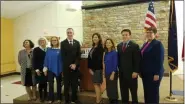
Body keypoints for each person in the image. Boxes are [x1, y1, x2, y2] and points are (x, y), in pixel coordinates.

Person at [140, 27, 164, 104]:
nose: (149, 34)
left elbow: (160, 60)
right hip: (145, 73)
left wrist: (157, 73)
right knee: (147, 92)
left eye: (151, 32)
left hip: (154, 73)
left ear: (155, 34)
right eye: (147, 32)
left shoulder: (158, 44)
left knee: (153, 93)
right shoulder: (145, 44)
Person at [117, 29, 140, 104]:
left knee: (133, 92)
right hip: (122, 73)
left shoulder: (135, 46)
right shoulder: (119, 46)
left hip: (132, 73)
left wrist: (136, 71)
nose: (124, 36)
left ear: (129, 36)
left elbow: (137, 60)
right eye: (123, 35)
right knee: (123, 91)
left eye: (126, 35)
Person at [60, 28, 81, 104]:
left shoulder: (77, 43)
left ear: (73, 33)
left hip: (75, 67)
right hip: (66, 67)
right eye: (68, 32)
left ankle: (74, 99)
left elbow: (79, 55)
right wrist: (70, 65)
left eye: (71, 32)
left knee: (74, 84)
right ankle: (67, 100)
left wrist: (75, 64)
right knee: (66, 85)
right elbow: (63, 56)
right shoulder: (62, 43)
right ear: (66, 33)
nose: (69, 34)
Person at [43, 36, 63, 103]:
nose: (54, 41)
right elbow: (46, 59)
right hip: (50, 69)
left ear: (57, 41)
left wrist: (63, 70)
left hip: (59, 69)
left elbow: (62, 60)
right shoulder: (48, 50)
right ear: (51, 42)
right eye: (52, 40)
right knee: (50, 84)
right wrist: (45, 69)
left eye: (55, 40)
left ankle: (59, 98)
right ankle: (51, 98)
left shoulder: (60, 50)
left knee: (59, 84)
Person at [88, 33, 104, 104]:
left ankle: (98, 101)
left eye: (96, 37)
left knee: (97, 85)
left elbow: (99, 60)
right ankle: (99, 99)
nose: (94, 38)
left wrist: (93, 69)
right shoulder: (93, 47)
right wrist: (89, 68)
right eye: (93, 37)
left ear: (99, 38)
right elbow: (90, 59)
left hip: (97, 69)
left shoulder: (100, 48)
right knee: (96, 85)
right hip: (93, 69)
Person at [32, 37, 48, 102]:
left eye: (43, 40)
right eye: (40, 41)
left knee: (46, 83)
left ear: (45, 41)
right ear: (39, 42)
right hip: (39, 69)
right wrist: (36, 69)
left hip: (47, 69)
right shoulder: (36, 49)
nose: (42, 42)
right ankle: (41, 97)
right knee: (41, 83)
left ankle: (46, 96)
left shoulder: (48, 49)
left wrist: (46, 68)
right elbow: (34, 60)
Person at [103, 38, 118, 104]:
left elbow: (115, 63)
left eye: (109, 42)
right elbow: (105, 63)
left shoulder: (114, 52)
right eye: (106, 43)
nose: (108, 44)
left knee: (113, 88)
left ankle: (115, 101)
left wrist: (113, 73)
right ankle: (111, 100)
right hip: (107, 73)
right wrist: (104, 72)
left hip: (113, 73)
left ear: (112, 44)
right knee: (109, 88)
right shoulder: (106, 53)